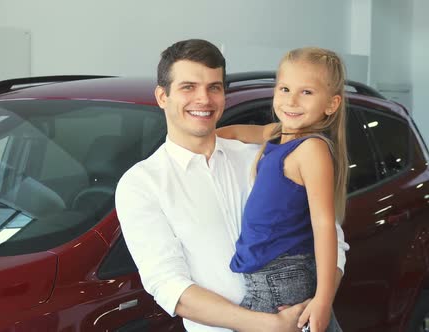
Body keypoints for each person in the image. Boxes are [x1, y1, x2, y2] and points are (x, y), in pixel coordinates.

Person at [115, 39, 349, 332]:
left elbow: (330, 236)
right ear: (163, 96)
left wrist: (315, 302)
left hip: (298, 316)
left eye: (214, 87)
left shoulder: (260, 154)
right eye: (188, 87)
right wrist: (270, 325)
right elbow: (168, 286)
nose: (204, 99)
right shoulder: (141, 184)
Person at [217, 47, 348, 332]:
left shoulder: (311, 149)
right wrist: (196, 139)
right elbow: (236, 132)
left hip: (283, 282)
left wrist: (323, 301)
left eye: (307, 92)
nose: (291, 100)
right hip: (266, 279)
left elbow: (324, 226)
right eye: (285, 88)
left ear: (331, 104)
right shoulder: (277, 134)